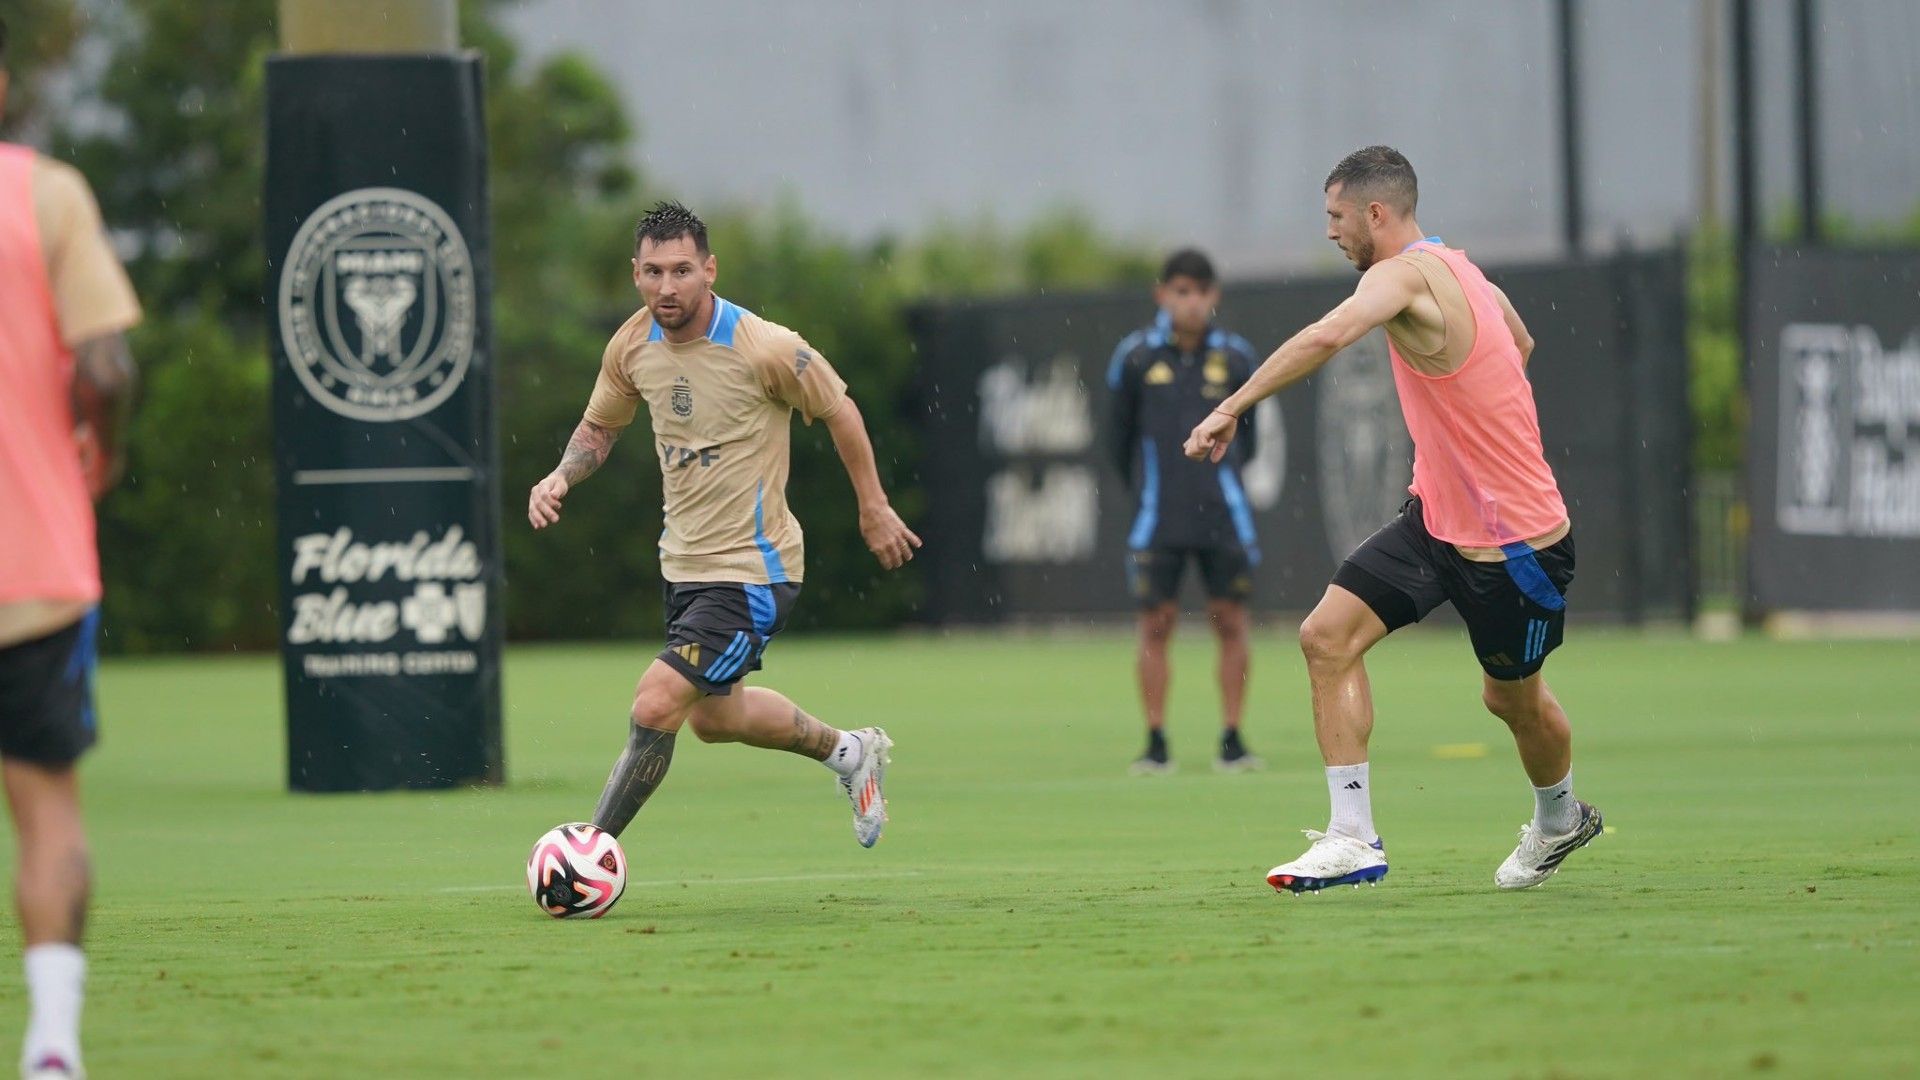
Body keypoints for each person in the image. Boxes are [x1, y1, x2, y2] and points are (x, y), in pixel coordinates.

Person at [1184, 146, 1602, 894]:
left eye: (1336, 218)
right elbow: (1521, 343)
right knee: (1325, 637)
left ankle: (1561, 818)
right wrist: (1459, 450)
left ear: (1377, 214)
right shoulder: (1463, 268)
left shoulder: (1400, 274)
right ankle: (1353, 838)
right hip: (1435, 522)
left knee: (1511, 699)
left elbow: (1327, 336)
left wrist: (1230, 407)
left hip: (1517, 547)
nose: (1331, 232)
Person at [528, 201, 920, 849]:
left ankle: (590, 852)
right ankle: (850, 753)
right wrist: (560, 476)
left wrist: (873, 507)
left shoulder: (766, 347)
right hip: (684, 566)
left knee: (656, 702)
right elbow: (600, 427)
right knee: (713, 717)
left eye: (682, 270)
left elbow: (841, 410)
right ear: (635, 273)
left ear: (710, 269)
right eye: (653, 272)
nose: (667, 287)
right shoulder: (632, 346)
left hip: (753, 571)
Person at [0, 15, 143, 1078]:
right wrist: (103, 447)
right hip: (30, 570)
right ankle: (51, 1044)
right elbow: (105, 366)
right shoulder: (46, 194)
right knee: (47, 812)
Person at [1108, 249, 1264, 775]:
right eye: (1180, 291)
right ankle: (1155, 741)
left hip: (1224, 516)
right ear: (1162, 295)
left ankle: (1232, 739)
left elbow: (1252, 440)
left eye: (1199, 291)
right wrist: (1157, 489)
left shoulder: (1238, 358)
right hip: (1159, 518)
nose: (1190, 302)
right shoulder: (1134, 357)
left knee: (1232, 622)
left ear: (1213, 296)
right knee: (1156, 624)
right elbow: (1118, 441)